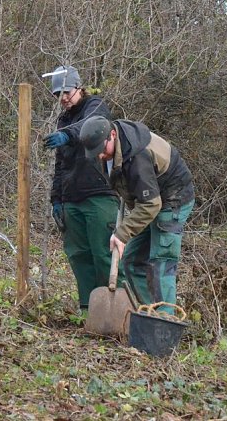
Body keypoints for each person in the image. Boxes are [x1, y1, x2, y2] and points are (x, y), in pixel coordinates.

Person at [75, 115, 194, 312]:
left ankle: (165, 321)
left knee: (160, 262)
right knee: (131, 262)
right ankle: (147, 312)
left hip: (174, 198)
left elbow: (151, 204)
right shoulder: (113, 149)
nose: (100, 156)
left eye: (102, 150)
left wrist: (122, 233)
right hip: (150, 201)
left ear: (112, 135)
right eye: (95, 152)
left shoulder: (138, 157)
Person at [42, 66, 119, 313]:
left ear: (78, 88)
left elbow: (93, 124)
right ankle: (89, 310)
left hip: (99, 195)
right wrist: (57, 198)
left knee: (103, 254)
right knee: (79, 255)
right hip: (71, 198)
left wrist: (68, 136)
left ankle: (115, 310)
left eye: (66, 91)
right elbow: (60, 164)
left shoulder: (95, 105)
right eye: (57, 94)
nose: (63, 98)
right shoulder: (63, 119)